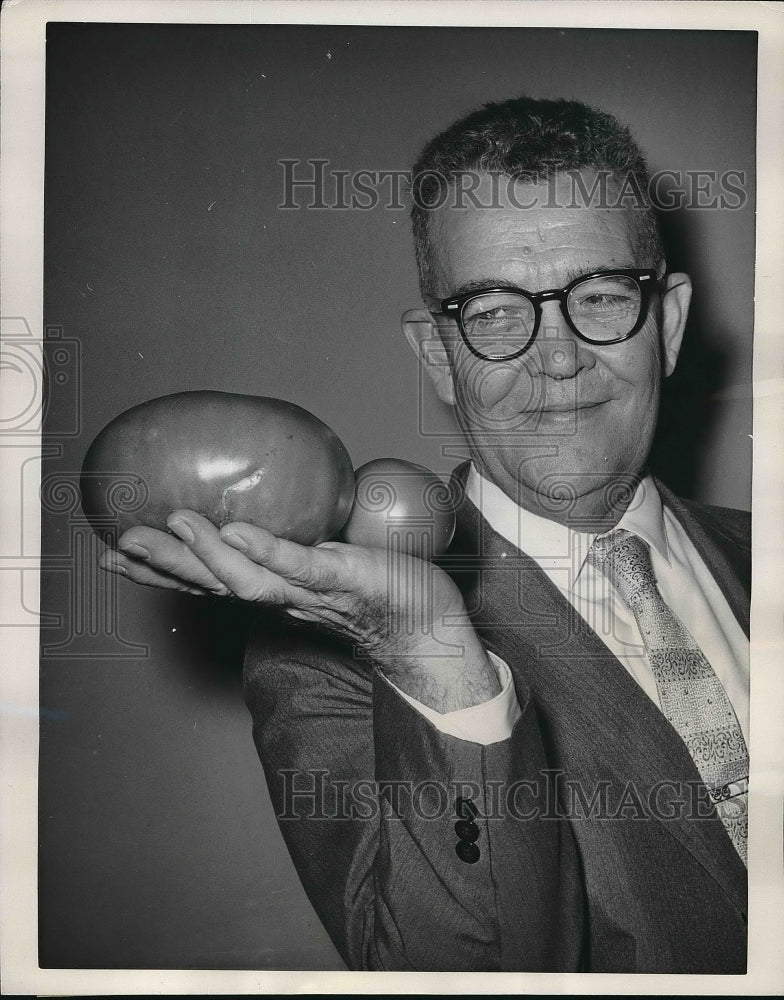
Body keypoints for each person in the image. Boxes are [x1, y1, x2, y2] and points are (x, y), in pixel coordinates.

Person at [100, 97, 750, 973]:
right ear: (440, 356)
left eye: (600, 297)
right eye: (492, 312)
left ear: (666, 324)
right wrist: (434, 663)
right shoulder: (328, 661)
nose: (557, 357)